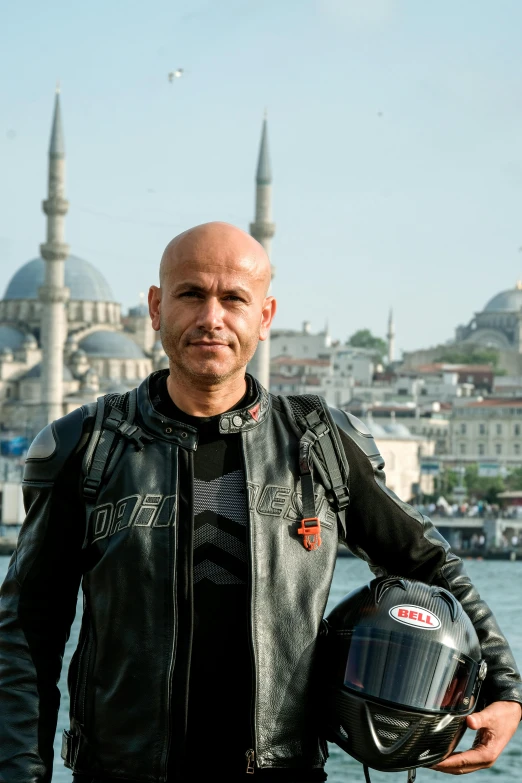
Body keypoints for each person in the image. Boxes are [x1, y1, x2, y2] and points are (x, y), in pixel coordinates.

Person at [0, 221, 520, 783]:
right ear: (155, 307)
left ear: (264, 317)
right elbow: (26, 633)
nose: (211, 318)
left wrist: (504, 689)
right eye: (191, 295)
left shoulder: (318, 443)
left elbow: (428, 564)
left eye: (234, 299)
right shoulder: (92, 445)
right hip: (122, 771)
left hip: (282, 771)